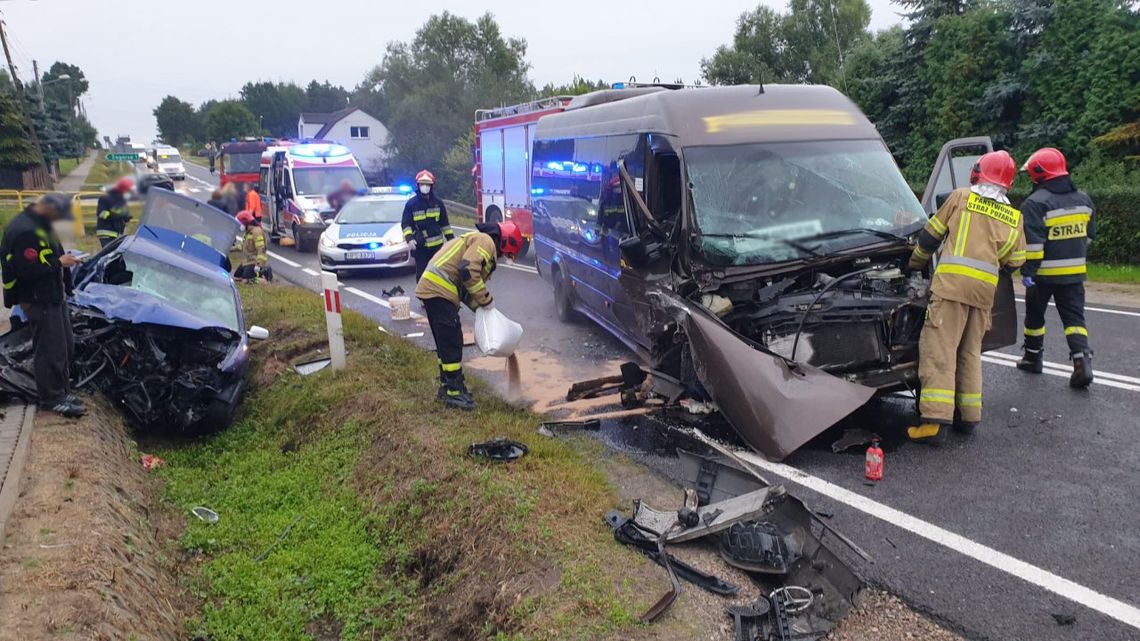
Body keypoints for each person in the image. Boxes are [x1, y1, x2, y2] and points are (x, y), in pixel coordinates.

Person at [906, 150, 1026, 444]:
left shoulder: (961, 197)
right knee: (970, 353)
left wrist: (913, 265)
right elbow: (1016, 261)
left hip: (951, 289)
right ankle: (969, 418)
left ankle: (934, 422)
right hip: (984, 295)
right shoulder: (1014, 217)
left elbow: (929, 237)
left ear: (978, 172)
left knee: (940, 351)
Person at [415, 221, 523, 410]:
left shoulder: (478, 240)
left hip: (434, 289)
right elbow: (467, 271)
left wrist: (482, 309)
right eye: (505, 253)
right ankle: (454, 393)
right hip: (439, 289)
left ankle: (447, 387)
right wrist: (486, 300)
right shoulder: (486, 241)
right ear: (506, 241)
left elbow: (465, 287)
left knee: (445, 343)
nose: (501, 257)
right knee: (452, 341)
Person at [1016, 148, 1096, 387]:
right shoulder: (1084, 199)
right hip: (1074, 274)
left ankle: (1033, 357)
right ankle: (1082, 362)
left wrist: (1028, 272)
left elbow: (1034, 246)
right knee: (1074, 320)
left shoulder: (1035, 203)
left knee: (1034, 317)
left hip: (1043, 275)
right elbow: (1089, 236)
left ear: (1038, 174)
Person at [0, 194, 85, 417]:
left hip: (53, 296)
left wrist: (67, 279)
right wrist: (60, 262)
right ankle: (52, 399)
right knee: (49, 351)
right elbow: (26, 271)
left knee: (64, 346)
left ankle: (62, 391)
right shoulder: (26, 231)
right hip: (38, 299)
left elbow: (51, 254)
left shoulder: (40, 224)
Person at [402, 170, 455, 282]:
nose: (425, 187)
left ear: (432, 186)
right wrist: (409, 238)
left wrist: (452, 242)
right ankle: (422, 297)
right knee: (422, 275)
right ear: (418, 185)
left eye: (427, 184)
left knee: (438, 274)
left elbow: (445, 225)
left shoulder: (438, 203)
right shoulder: (412, 204)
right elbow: (406, 224)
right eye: (422, 184)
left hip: (437, 247)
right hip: (421, 247)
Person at [233, 210, 271, 283]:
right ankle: (257, 274)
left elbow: (261, 249)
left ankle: (264, 276)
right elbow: (242, 246)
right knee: (236, 276)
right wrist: (230, 249)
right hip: (247, 261)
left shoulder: (256, 232)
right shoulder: (247, 232)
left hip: (254, 262)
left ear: (246, 222)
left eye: (240, 223)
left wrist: (258, 265)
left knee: (245, 281)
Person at [95, 178, 133, 248]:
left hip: (117, 233)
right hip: (106, 231)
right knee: (108, 254)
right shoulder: (105, 198)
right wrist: (117, 215)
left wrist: (127, 216)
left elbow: (123, 214)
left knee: (114, 255)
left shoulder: (122, 200)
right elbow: (101, 213)